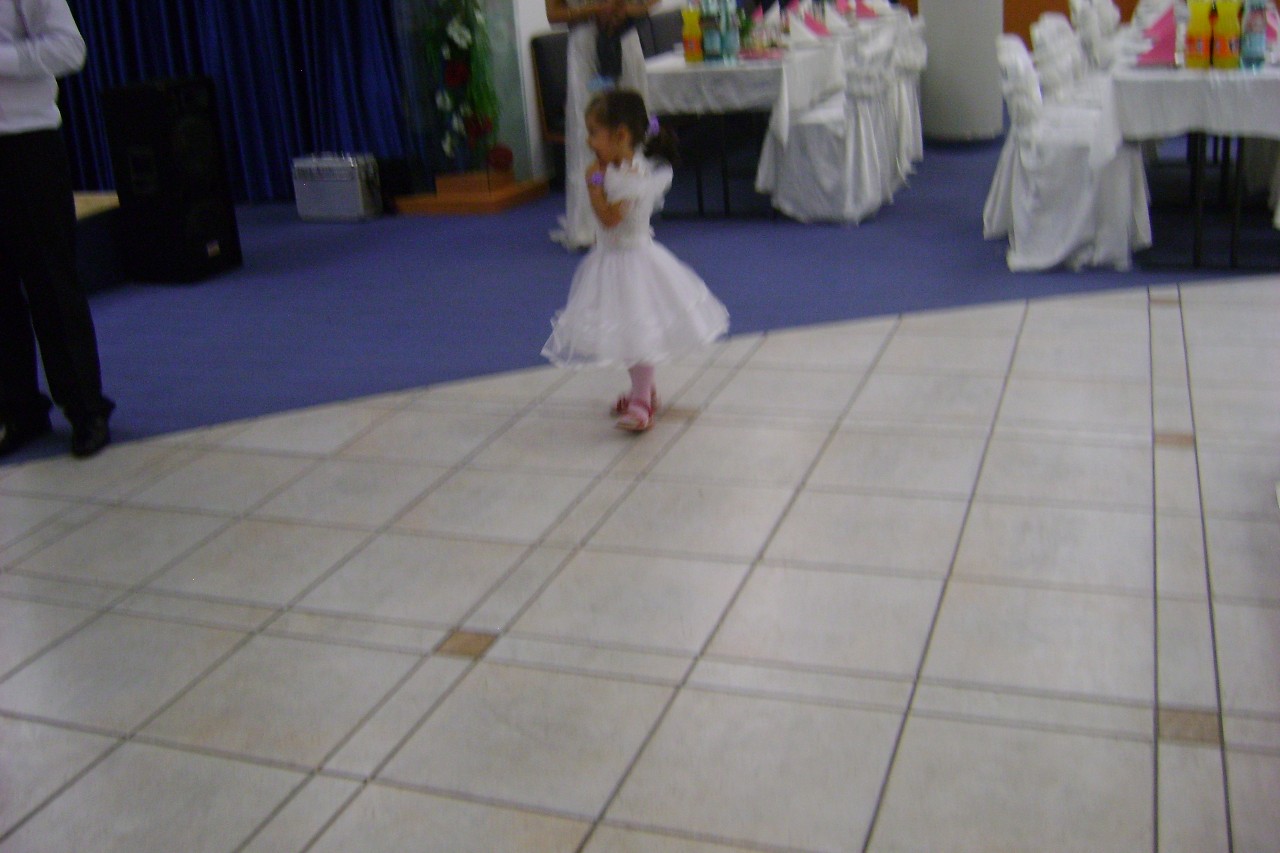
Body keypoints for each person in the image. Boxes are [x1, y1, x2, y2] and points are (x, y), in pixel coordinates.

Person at [542, 90, 729, 432]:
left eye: (594, 133)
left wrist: (595, 187)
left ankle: (642, 400)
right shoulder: (614, 169)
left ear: (621, 136)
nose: (589, 141)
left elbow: (610, 218)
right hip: (611, 260)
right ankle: (642, 390)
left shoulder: (632, 177)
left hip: (632, 262)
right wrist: (598, 178)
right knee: (626, 331)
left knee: (637, 330)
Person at [0, 0, 113, 459]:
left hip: (27, 144)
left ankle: (86, 410)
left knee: (50, 280)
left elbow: (70, 50)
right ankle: (19, 409)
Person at [545, 0, 657, 251]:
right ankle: (590, 221)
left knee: (630, 124)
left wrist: (625, 9)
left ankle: (631, 210)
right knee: (591, 129)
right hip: (585, 47)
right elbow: (553, 14)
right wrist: (594, 10)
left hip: (623, 39)